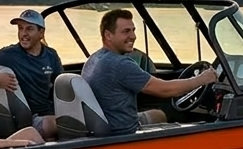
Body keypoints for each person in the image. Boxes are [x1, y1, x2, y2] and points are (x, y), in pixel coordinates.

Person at [81, 9, 218, 135]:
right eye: (126, 31)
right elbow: (164, 90)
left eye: (133, 30)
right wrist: (202, 79)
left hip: (109, 123)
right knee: (182, 117)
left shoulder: (93, 59)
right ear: (108, 35)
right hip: (123, 133)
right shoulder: (119, 64)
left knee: (159, 114)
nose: (133, 36)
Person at [0, 9, 63, 138]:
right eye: (20, 29)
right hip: (30, 120)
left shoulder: (51, 55)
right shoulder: (8, 54)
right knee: (64, 124)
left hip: (49, 112)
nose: (23, 33)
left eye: (29, 29)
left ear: (41, 33)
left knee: (74, 118)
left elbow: (60, 86)